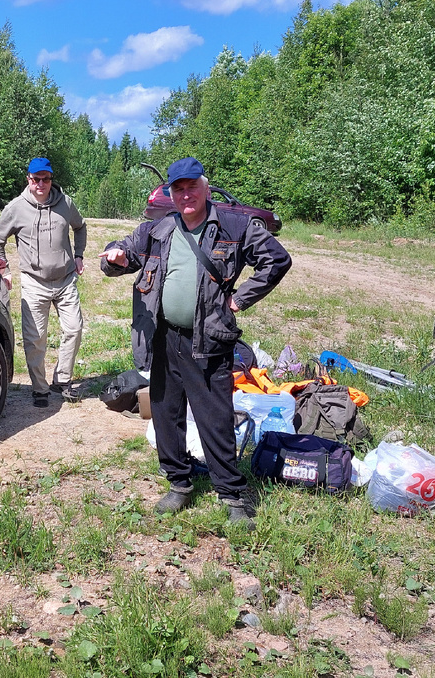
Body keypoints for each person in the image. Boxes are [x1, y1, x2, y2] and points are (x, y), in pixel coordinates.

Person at [99, 157, 291, 528]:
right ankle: (179, 483)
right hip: (162, 336)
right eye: (178, 189)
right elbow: (119, 255)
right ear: (170, 194)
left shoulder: (233, 225)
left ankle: (232, 495)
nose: (186, 194)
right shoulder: (157, 230)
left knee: (214, 419)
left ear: (206, 187)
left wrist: (239, 299)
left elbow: (276, 260)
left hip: (209, 338)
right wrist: (116, 256)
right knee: (166, 414)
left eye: (192, 187)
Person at [0, 158, 87, 408]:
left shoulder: (65, 203)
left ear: (51, 179)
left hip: (65, 280)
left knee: (74, 329)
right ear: (28, 179)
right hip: (34, 282)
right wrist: (4, 269)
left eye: (46, 179)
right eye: (36, 179)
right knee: (35, 339)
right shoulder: (15, 208)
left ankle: (62, 379)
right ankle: (40, 388)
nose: (41, 184)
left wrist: (78, 255)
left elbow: (81, 226)